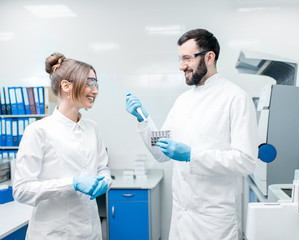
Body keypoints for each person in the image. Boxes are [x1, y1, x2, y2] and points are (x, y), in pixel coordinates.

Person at [126, 29, 258, 239]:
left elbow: (246, 161)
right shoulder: (183, 101)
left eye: (187, 58)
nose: (181, 66)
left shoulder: (236, 98)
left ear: (209, 56)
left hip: (214, 222)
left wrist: (191, 155)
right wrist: (143, 120)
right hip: (181, 220)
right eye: (180, 59)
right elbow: (161, 153)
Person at [13, 52, 112, 240]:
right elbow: (22, 190)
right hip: (53, 233)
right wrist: (72, 184)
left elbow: (103, 169)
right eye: (89, 83)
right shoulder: (38, 130)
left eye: (96, 84)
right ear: (66, 86)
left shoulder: (93, 128)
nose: (95, 91)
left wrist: (105, 182)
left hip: (90, 232)